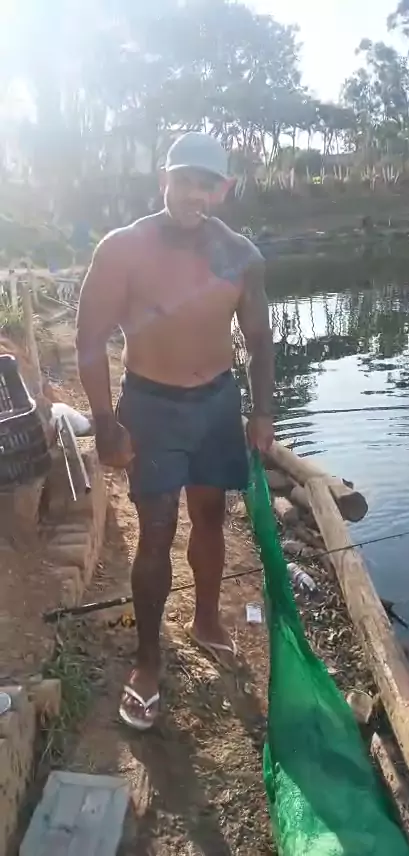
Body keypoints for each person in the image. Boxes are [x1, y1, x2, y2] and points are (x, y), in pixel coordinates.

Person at [76, 132, 275, 731]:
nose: (194, 194)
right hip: (152, 406)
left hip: (216, 403)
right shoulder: (123, 249)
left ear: (222, 190)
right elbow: (89, 340)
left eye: (206, 184)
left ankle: (206, 620)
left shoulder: (241, 255)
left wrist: (262, 412)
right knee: (157, 530)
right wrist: (106, 423)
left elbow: (260, 339)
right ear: (164, 179)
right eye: (184, 179)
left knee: (210, 516)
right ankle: (147, 662)